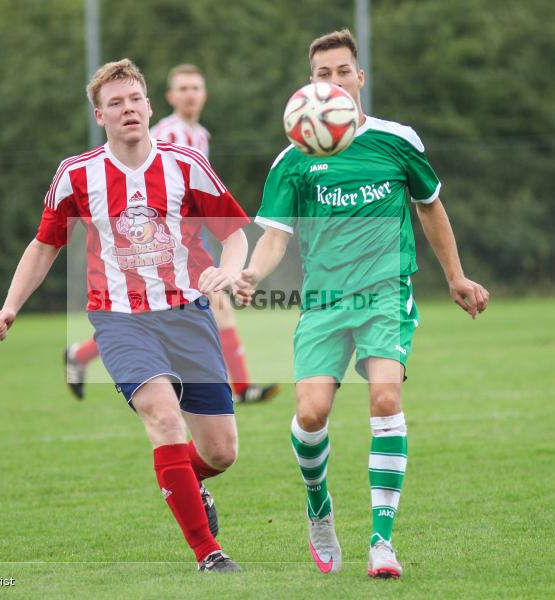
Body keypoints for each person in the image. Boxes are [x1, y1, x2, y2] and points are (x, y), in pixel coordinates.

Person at [235, 30, 489, 579]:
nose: (334, 81)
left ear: (360, 77)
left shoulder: (396, 140)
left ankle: (382, 542)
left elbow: (430, 207)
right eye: (322, 74)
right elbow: (276, 234)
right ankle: (318, 507)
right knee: (311, 414)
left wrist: (456, 276)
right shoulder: (293, 159)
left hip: (385, 295)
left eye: (342, 71)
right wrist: (254, 271)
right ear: (309, 84)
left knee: (384, 398)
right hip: (323, 302)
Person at [0, 58, 249, 572]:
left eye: (134, 100)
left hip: (187, 314)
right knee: (163, 416)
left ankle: (186, 480)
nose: (127, 109)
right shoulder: (76, 174)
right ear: (99, 115)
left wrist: (229, 271)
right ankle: (209, 553)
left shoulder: (186, 164)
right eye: (115, 103)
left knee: (221, 452)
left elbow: (235, 233)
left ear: (149, 107)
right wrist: (10, 306)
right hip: (120, 320)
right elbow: (45, 245)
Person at [65, 64, 280, 405]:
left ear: (204, 94)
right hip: (162, 240)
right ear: (169, 97)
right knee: (192, 307)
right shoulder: (165, 132)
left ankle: (79, 355)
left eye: (195, 88)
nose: (190, 95)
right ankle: (241, 387)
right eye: (183, 89)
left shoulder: (201, 134)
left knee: (213, 305)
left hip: (193, 234)